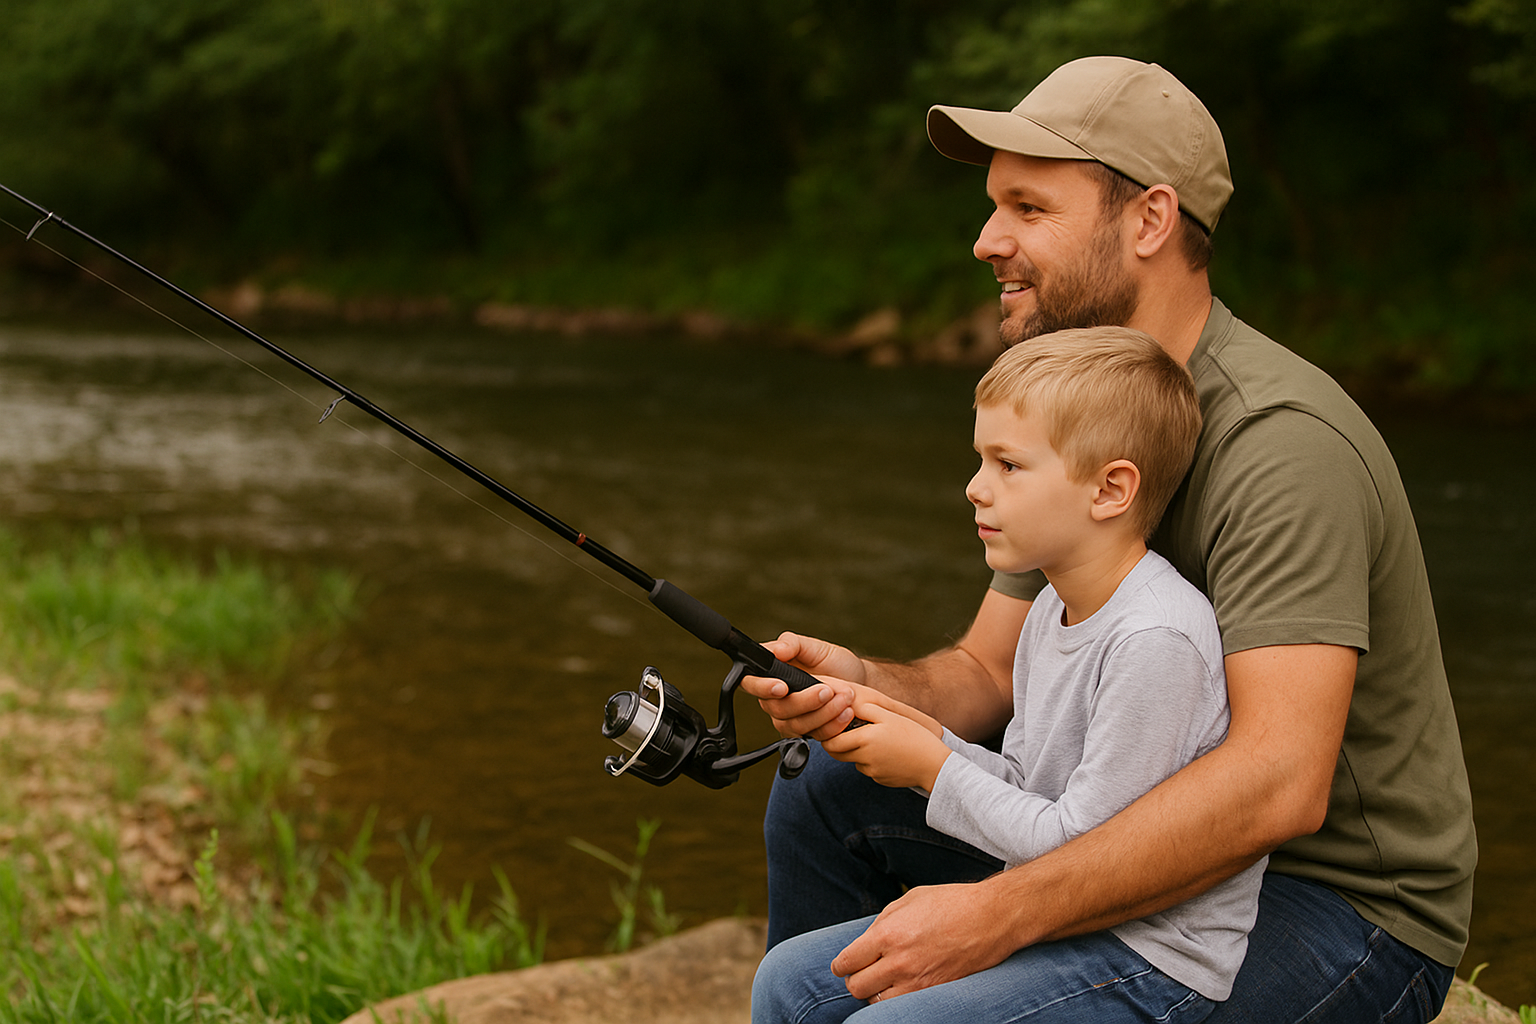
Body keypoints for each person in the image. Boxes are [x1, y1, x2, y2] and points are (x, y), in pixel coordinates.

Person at [743, 56, 1476, 1023]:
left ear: (1150, 221)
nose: (984, 241)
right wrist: (865, 688)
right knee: (827, 786)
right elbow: (986, 675)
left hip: (1334, 904)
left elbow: (1277, 786)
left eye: (1028, 209)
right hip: (1111, 817)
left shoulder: (1281, 447)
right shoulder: (1076, 416)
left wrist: (996, 916)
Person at [753, 326, 1266, 1023]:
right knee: (788, 980)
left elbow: (1084, 854)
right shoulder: (1054, 605)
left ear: (1111, 489)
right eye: (979, 461)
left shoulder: (1155, 639)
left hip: (1146, 953)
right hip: (1056, 903)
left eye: (1008, 466)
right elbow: (1029, 787)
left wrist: (934, 768)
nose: (975, 488)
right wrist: (920, 735)